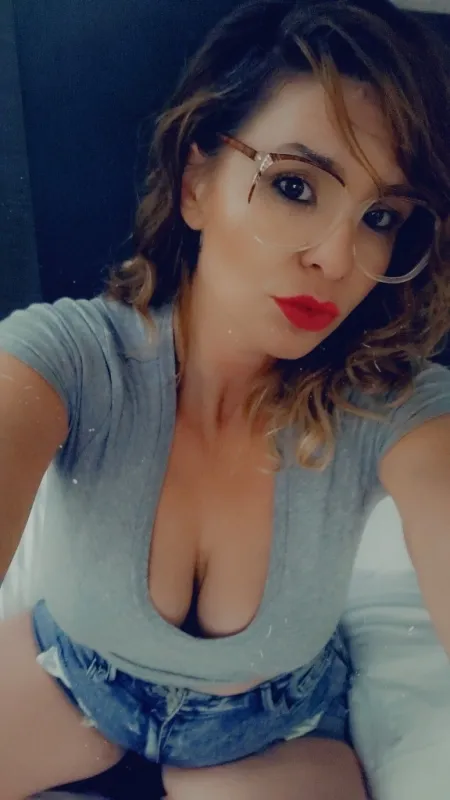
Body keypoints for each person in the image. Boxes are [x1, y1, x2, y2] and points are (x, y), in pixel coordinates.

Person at [1, 0, 450, 797]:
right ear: (196, 182)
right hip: (75, 681)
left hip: (269, 732)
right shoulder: (72, 358)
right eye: (295, 185)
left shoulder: (391, 403)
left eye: (381, 216)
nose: (339, 257)